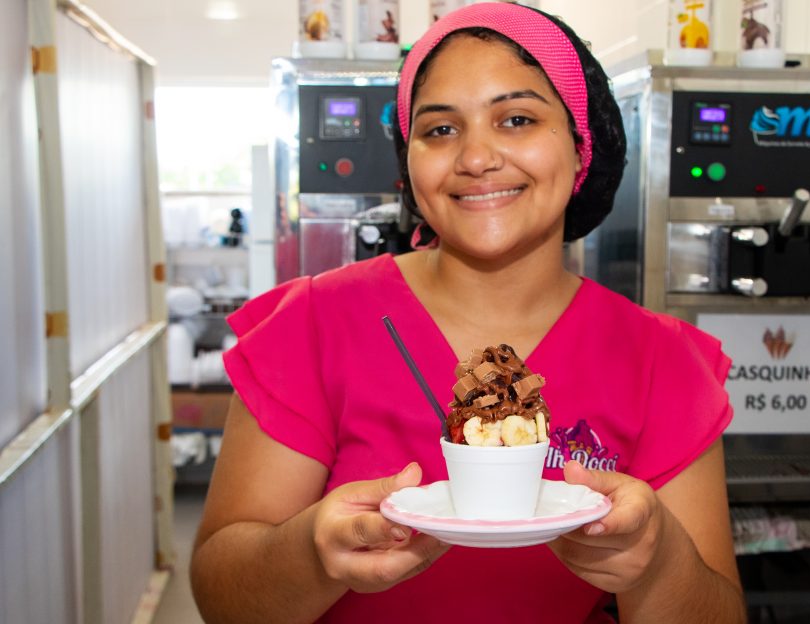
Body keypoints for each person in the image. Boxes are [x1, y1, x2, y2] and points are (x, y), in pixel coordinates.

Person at [190, 3, 746, 623]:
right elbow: (222, 598)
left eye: (516, 119)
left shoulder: (661, 360)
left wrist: (659, 558)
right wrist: (311, 554)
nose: (476, 158)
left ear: (582, 145)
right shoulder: (312, 326)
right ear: (409, 165)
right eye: (440, 130)